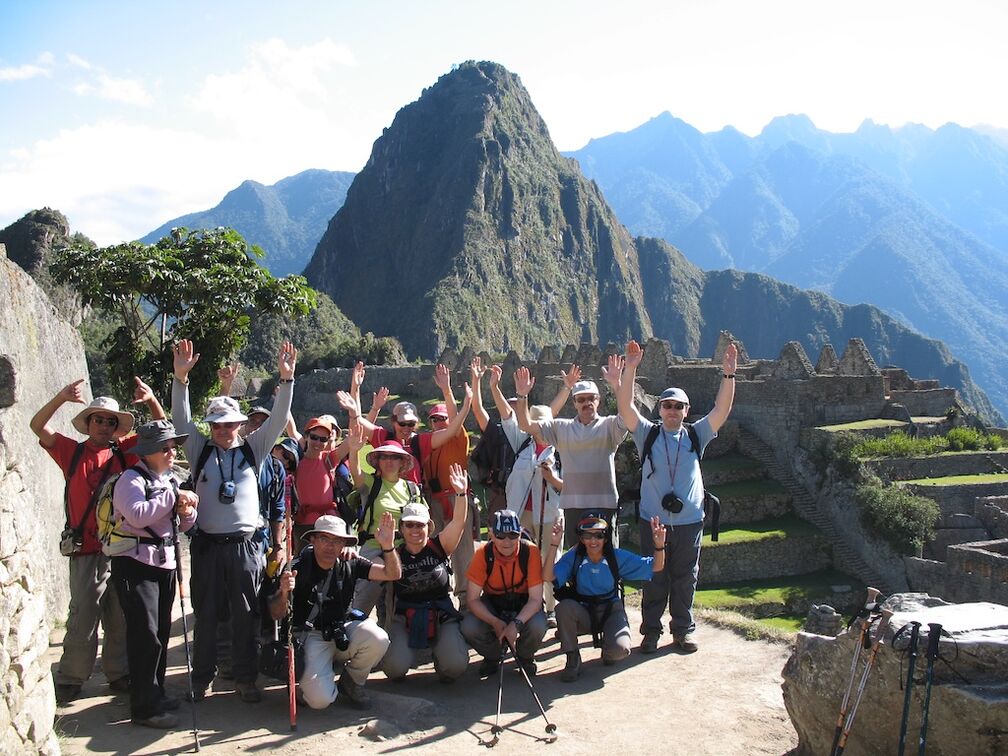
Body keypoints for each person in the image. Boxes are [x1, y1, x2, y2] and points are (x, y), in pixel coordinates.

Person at [171, 338, 297, 703]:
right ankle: (201, 678)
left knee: (246, 615)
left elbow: (275, 422)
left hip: (245, 547)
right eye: (218, 425)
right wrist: (181, 380)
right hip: (208, 545)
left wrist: (286, 381)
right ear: (210, 427)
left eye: (230, 425)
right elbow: (180, 419)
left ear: (240, 425)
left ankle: (245, 678)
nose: (224, 431)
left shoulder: (253, 449)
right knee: (207, 616)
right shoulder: (199, 449)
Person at [30, 376, 166, 704]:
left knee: (118, 613)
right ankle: (72, 676)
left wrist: (150, 400)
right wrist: (61, 397)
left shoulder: (125, 453)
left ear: (116, 426)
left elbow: (163, 432)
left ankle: (117, 673)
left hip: (118, 546)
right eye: (98, 420)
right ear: (89, 423)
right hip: (83, 548)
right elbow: (37, 426)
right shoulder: (71, 453)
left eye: (110, 421)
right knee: (82, 615)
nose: (104, 425)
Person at [610, 339, 737, 654]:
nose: (672, 410)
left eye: (678, 406)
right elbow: (625, 407)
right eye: (667, 405)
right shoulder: (647, 433)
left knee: (685, 577)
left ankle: (682, 631)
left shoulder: (697, 434)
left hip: (689, 520)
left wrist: (729, 376)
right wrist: (630, 370)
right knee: (654, 577)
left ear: (686, 411)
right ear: (660, 409)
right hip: (653, 520)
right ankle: (651, 632)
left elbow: (722, 410)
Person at [109, 420, 198, 728]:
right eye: (166, 447)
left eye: (173, 446)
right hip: (135, 565)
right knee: (145, 635)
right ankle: (144, 707)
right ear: (148, 452)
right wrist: (174, 499)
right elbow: (136, 514)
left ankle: (154, 693)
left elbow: (182, 526)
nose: (172, 451)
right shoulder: (129, 480)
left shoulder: (169, 480)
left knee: (159, 632)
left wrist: (187, 512)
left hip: (164, 563)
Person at [268, 513, 400, 710]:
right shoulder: (296, 568)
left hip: (341, 631)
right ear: (312, 539)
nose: (330, 546)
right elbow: (276, 614)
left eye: (337, 540)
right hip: (311, 635)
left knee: (378, 638)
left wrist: (388, 546)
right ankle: (310, 683)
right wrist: (284, 591)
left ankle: (351, 682)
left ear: (344, 544)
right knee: (320, 701)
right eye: (324, 539)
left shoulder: (350, 561)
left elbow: (392, 574)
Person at [514, 365, 628, 547]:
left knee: (608, 560)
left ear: (598, 400)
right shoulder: (562, 428)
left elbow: (627, 414)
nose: (587, 403)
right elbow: (526, 425)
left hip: (604, 504)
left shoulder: (609, 426)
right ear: (574, 403)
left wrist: (617, 384)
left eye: (591, 398)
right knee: (576, 562)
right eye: (581, 399)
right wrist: (522, 396)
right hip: (574, 506)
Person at [544, 515, 665, 681]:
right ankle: (572, 657)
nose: (593, 541)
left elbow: (655, 566)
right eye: (587, 536)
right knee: (563, 608)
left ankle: (609, 649)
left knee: (620, 650)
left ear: (606, 538)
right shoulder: (575, 556)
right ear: (581, 538)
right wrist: (553, 544)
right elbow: (548, 576)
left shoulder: (616, 556)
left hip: (611, 610)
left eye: (599, 536)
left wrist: (659, 547)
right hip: (584, 610)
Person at [382, 464, 471, 683]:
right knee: (394, 669)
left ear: (428, 527)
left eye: (420, 525)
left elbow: (458, 522)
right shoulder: (394, 552)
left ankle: (443, 657)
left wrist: (460, 494)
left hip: (441, 614)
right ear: (401, 528)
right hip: (405, 617)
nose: (414, 530)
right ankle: (407, 652)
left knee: (455, 667)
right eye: (409, 525)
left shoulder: (439, 546)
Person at [343, 425, 425, 616]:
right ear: (377, 461)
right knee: (360, 604)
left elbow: (425, 522)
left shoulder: (412, 489)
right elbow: (355, 471)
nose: (389, 461)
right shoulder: (370, 483)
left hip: (405, 552)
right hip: (373, 548)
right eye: (384, 456)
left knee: (398, 608)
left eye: (394, 456)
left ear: (402, 461)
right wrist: (354, 450)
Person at [461, 510, 547, 678]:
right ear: (492, 534)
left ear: (520, 533)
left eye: (513, 535)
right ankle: (494, 655)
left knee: (538, 625)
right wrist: (494, 621)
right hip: (494, 604)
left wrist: (515, 625)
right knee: (469, 626)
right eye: (501, 536)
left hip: (524, 603)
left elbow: (536, 599)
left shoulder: (530, 552)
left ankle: (525, 656)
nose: (507, 541)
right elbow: (472, 599)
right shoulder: (482, 554)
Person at [289, 415, 352, 553]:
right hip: (304, 523)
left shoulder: (328, 459)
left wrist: (354, 413)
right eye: (314, 437)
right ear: (306, 436)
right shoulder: (296, 460)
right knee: (304, 564)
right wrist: (281, 396)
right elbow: (290, 427)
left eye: (323, 439)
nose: (318, 442)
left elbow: (351, 440)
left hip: (329, 524)